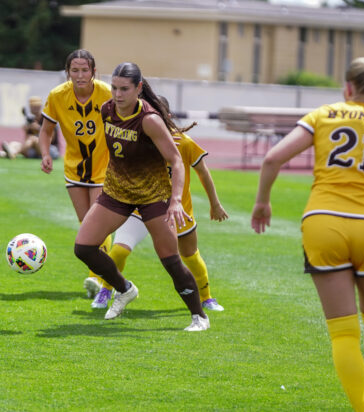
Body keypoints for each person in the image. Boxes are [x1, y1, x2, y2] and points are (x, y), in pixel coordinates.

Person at [251, 57, 364, 411]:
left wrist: (262, 203)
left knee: (343, 331)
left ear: (348, 87)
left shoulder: (324, 114)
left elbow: (273, 158)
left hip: (323, 225)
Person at [73, 62, 210, 331]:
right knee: (84, 247)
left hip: (152, 196)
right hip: (117, 192)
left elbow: (176, 161)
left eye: (124, 89)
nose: (117, 94)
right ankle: (124, 289)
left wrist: (175, 201)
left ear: (138, 88)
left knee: (170, 259)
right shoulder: (106, 110)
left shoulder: (150, 120)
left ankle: (199, 317)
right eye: (114, 88)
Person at [91, 99, 229, 313]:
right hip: (138, 205)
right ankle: (106, 289)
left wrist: (215, 204)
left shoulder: (183, 142)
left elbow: (203, 172)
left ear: (167, 118)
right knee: (119, 250)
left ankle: (206, 298)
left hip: (175, 210)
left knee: (190, 255)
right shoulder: (137, 138)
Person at [38, 49, 113, 298]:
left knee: (97, 225)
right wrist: (46, 154)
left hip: (104, 169)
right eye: (75, 70)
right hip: (74, 170)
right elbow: (46, 130)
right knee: (86, 226)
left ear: (94, 72)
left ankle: (97, 279)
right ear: (67, 72)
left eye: (85, 70)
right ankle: (101, 278)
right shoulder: (58, 96)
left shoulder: (108, 93)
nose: (80, 75)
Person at [0, 96, 60, 160]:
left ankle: (10, 153)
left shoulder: (47, 118)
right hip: (36, 151)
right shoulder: (30, 120)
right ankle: (5, 153)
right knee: (14, 144)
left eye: (36, 106)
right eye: (33, 106)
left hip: (51, 150)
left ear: (40, 107)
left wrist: (39, 129)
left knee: (33, 139)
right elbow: (27, 141)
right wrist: (28, 130)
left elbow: (51, 138)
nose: (35, 108)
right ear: (30, 107)